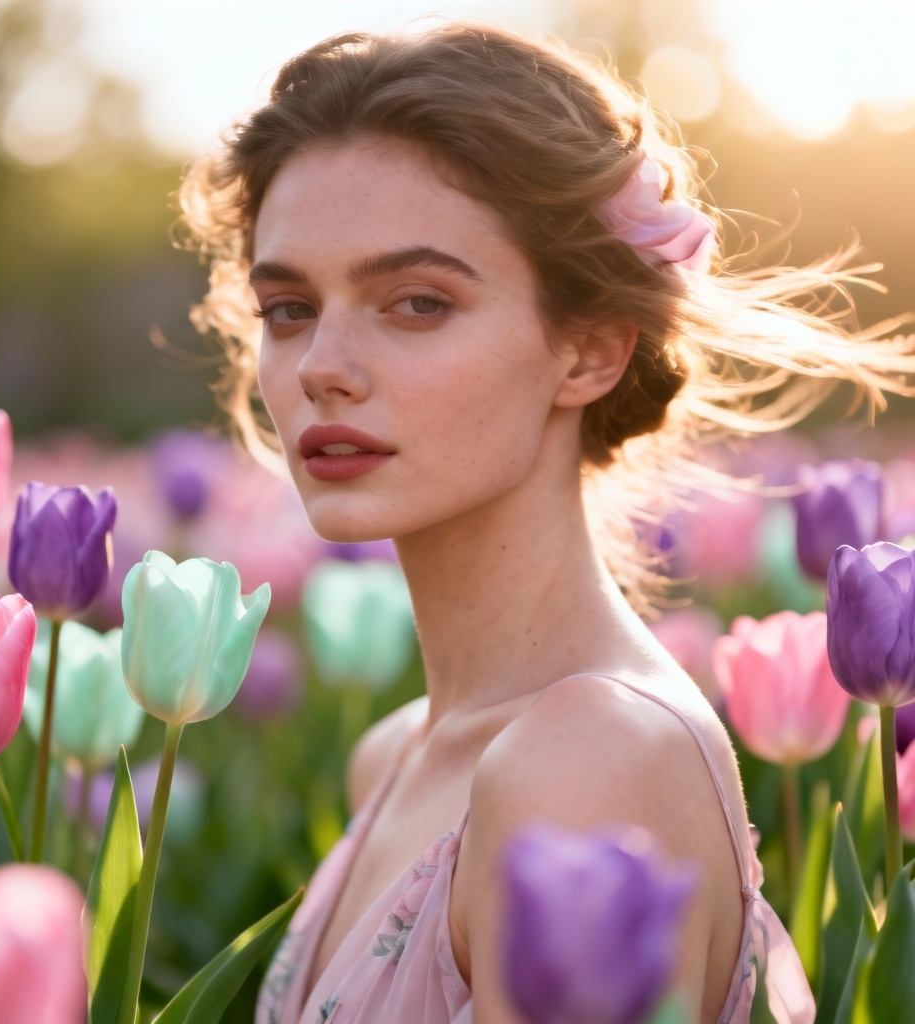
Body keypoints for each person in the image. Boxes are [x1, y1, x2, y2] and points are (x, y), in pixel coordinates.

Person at [178, 23, 914, 1024]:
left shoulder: (585, 765)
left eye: (417, 302)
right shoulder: (397, 753)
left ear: (589, 352)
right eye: (289, 306)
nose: (320, 366)